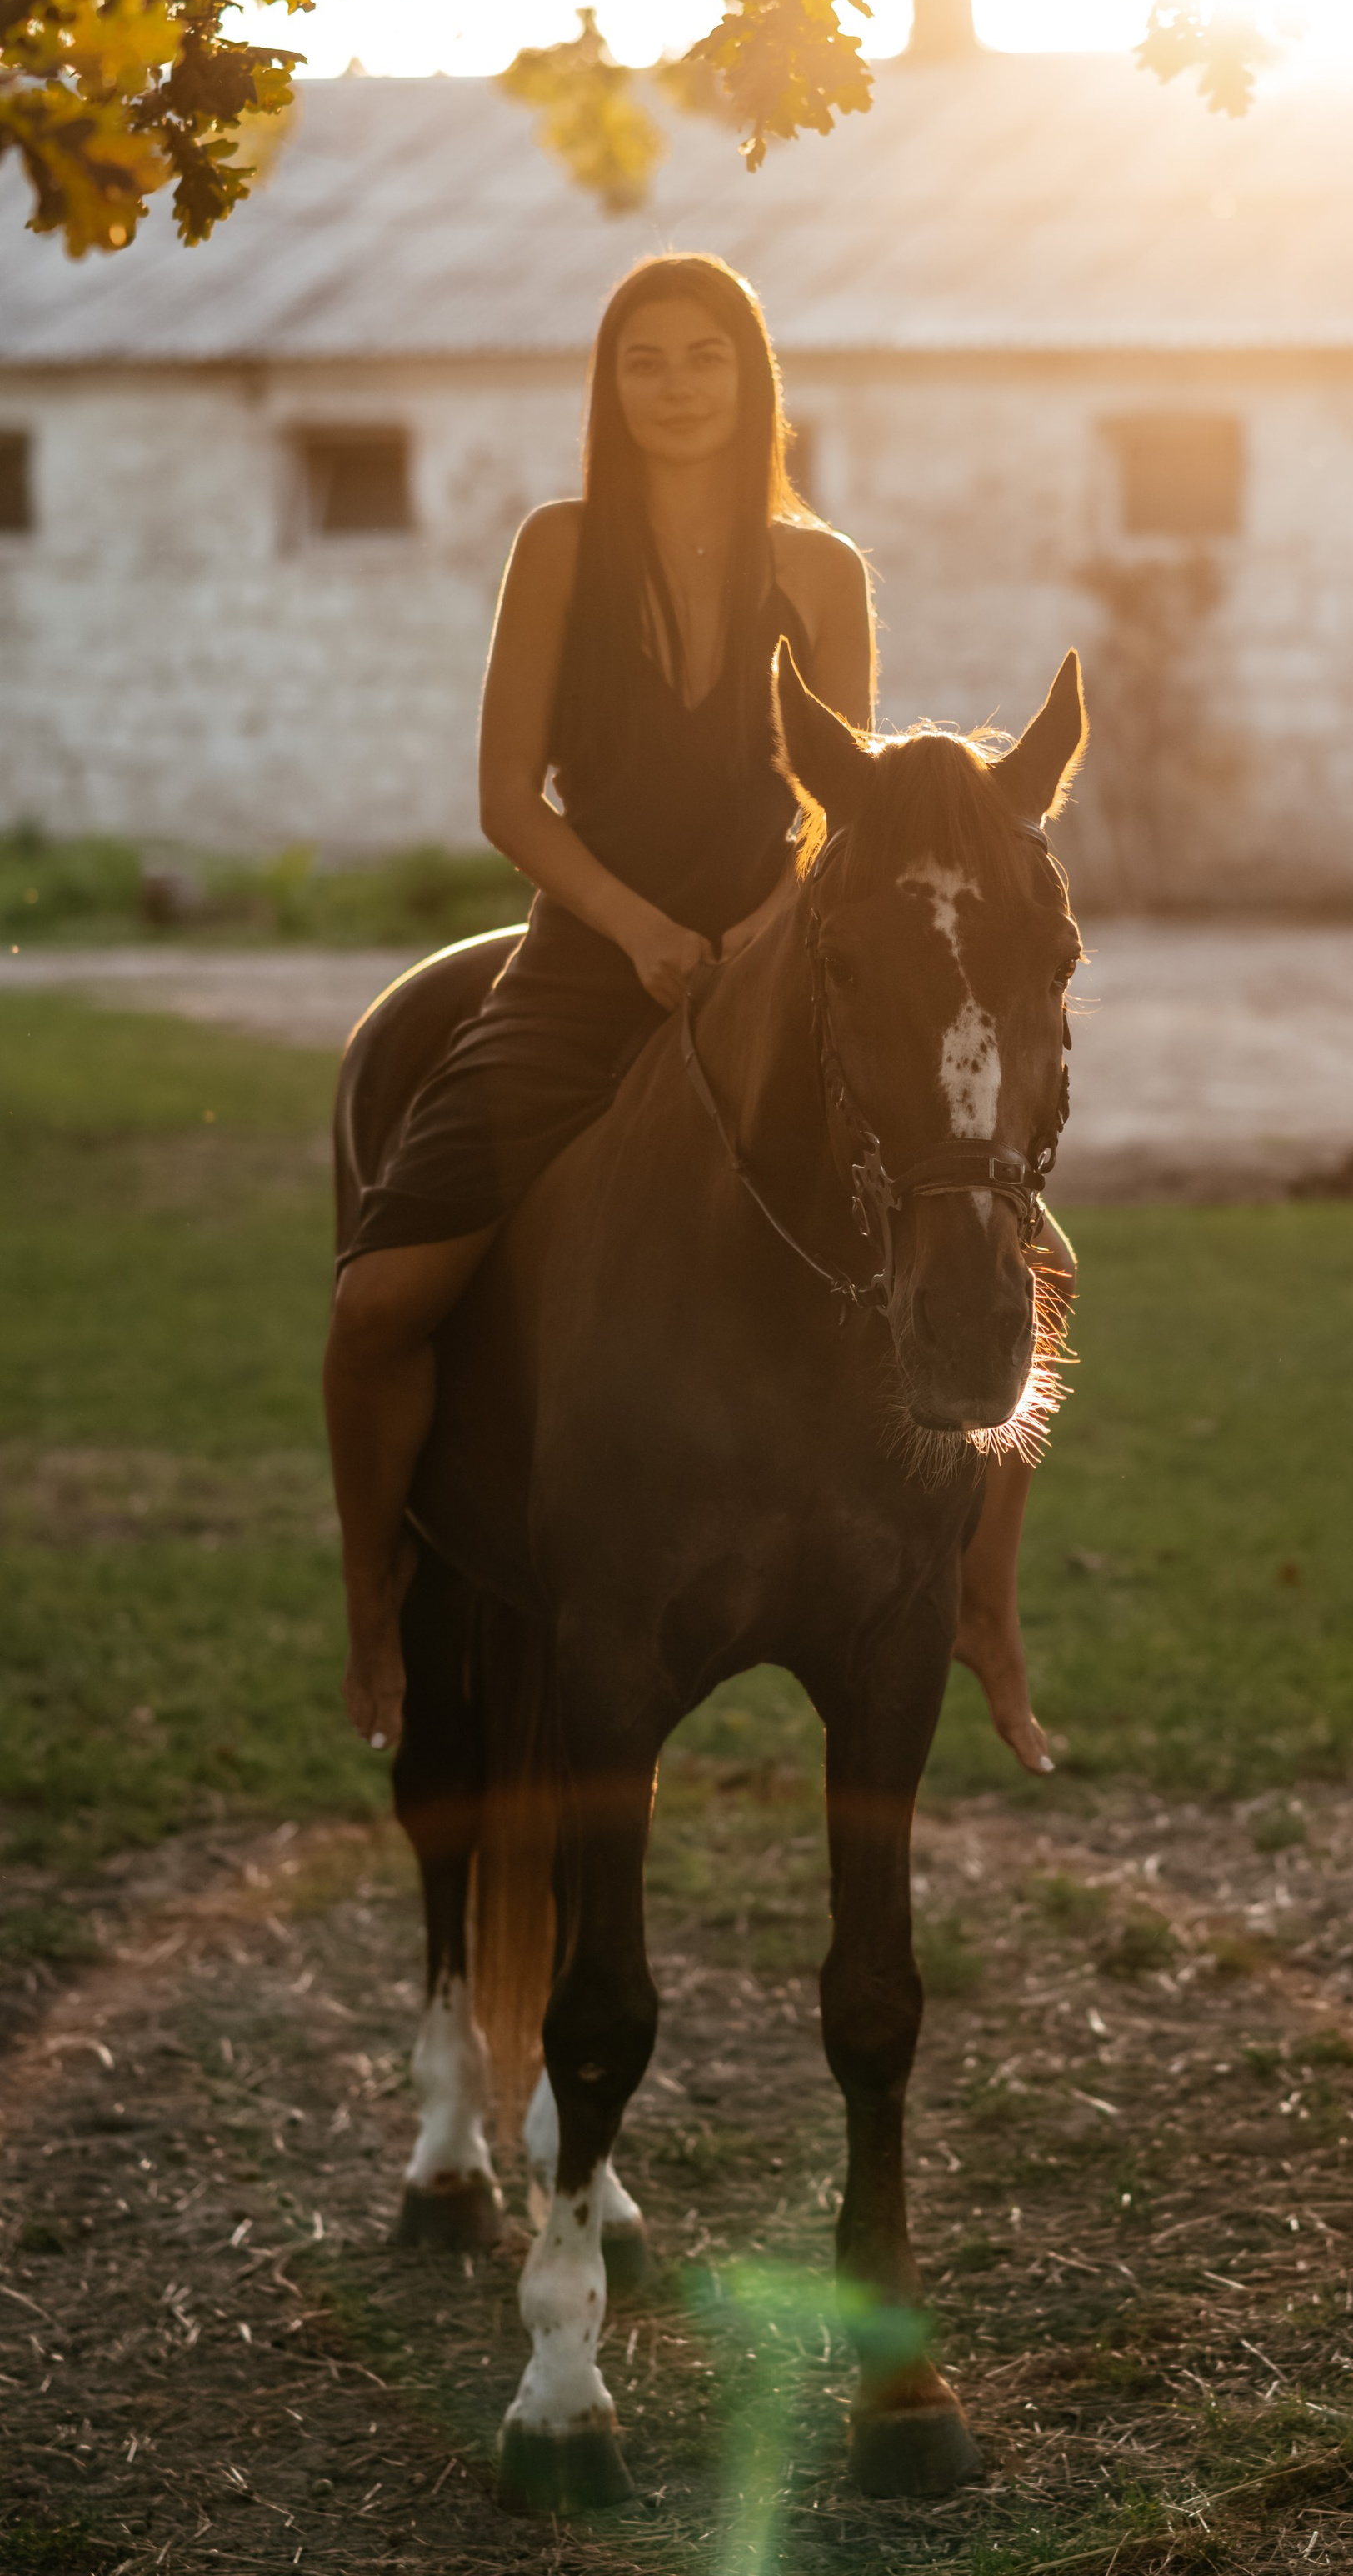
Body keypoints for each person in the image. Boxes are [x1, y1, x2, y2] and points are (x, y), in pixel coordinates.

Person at [324, 253, 1057, 1775]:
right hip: (592, 960)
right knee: (379, 1300)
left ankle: (983, 1604)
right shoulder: (559, 548)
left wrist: (758, 938)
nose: (673, 386)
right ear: (611, 384)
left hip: (790, 961)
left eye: (703, 357)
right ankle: (376, 1594)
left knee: (1019, 1249)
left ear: (752, 377)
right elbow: (503, 798)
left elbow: (842, 818)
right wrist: (647, 932)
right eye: (643, 360)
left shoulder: (826, 572)